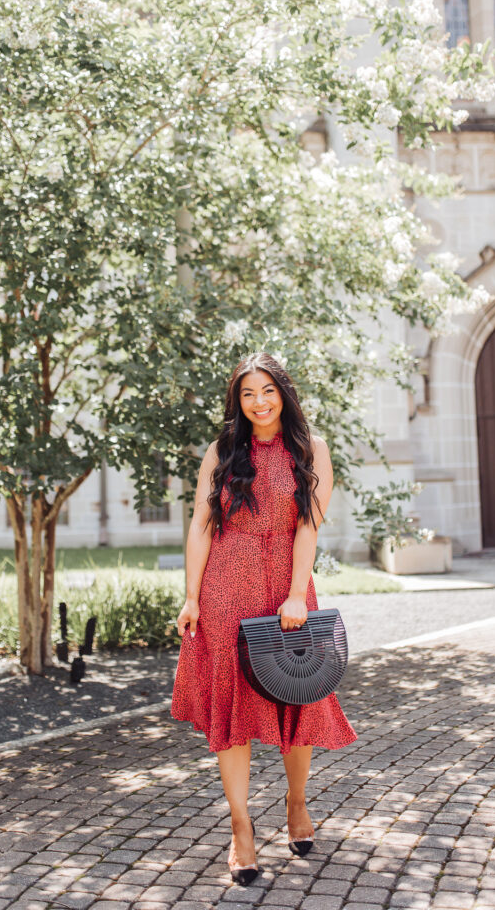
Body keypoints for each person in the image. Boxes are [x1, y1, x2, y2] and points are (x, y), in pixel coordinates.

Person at [171, 351, 357, 885]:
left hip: (286, 584)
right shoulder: (222, 450)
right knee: (233, 708)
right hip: (226, 584)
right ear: (238, 400)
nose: (258, 403)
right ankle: (240, 827)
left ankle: (297, 802)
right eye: (247, 394)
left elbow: (308, 527)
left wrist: (297, 593)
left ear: (284, 393)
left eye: (267, 391)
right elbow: (201, 527)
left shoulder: (311, 450)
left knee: (298, 694)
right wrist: (191, 596)